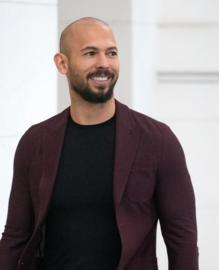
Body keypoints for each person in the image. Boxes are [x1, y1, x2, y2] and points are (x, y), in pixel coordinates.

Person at [0, 17, 198, 270]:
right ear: (62, 63)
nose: (104, 63)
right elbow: (15, 237)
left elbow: (183, 240)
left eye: (111, 53)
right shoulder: (35, 142)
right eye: (90, 53)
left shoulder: (158, 140)